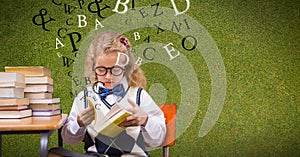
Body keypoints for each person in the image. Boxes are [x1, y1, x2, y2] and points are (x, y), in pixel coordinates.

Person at [59, 30, 166, 157]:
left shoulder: (139, 95)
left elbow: (158, 139)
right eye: (101, 70)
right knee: (54, 153)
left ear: (126, 67)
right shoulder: (85, 97)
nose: (108, 76)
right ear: (93, 67)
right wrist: (79, 123)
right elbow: (70, 140)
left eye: (115, 69)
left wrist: (145, 120)